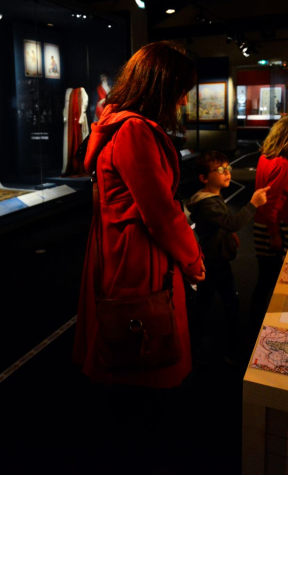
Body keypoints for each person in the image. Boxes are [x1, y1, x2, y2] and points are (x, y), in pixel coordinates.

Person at [73, 41, 205, 389]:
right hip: (138, 256)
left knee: (121, 345)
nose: (183, 101)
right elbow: (161, 213)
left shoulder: (118, 124)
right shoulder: (134, 131)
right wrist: (192, 259)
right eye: (181, 91)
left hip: (119, 249)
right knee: (144, 350)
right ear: (161, 87)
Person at [188, 152, 268, 364]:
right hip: (215, 261)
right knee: (229, 303)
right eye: (220, 170)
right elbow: (231, 222)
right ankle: (233, 351)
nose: (227, 173)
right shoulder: (208, 204)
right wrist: (253, 204)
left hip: (214, 259)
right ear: (204, 178)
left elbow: (222, 224)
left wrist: (229, 234)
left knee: (205, 303)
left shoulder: (213, 197)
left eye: (228, 168)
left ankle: (195, 345)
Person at [250, 116, 288, 335]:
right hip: (273, 227)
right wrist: (274, 235)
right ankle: (266, 328)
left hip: (262, 224)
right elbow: (272, 205)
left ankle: (255, 326)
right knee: (273, 281)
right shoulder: (282, 164)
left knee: (265, 279)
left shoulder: (265, 158)